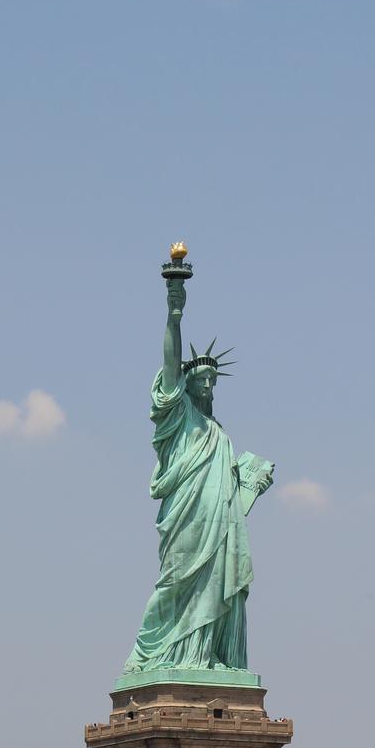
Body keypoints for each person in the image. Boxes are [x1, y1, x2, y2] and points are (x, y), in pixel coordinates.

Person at [122, 264, 273, 675]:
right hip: (186, 517)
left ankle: (207, 657)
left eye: (212, 381)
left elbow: (230, 492)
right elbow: (171, 364)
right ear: (185, 387)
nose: (207, 386)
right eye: (200, 379)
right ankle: (152, 654)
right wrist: (175, 314)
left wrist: (250, 485)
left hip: (220, 524)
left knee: (217, 583)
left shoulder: (220, 435)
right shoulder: (177, 418)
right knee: (175, 581)